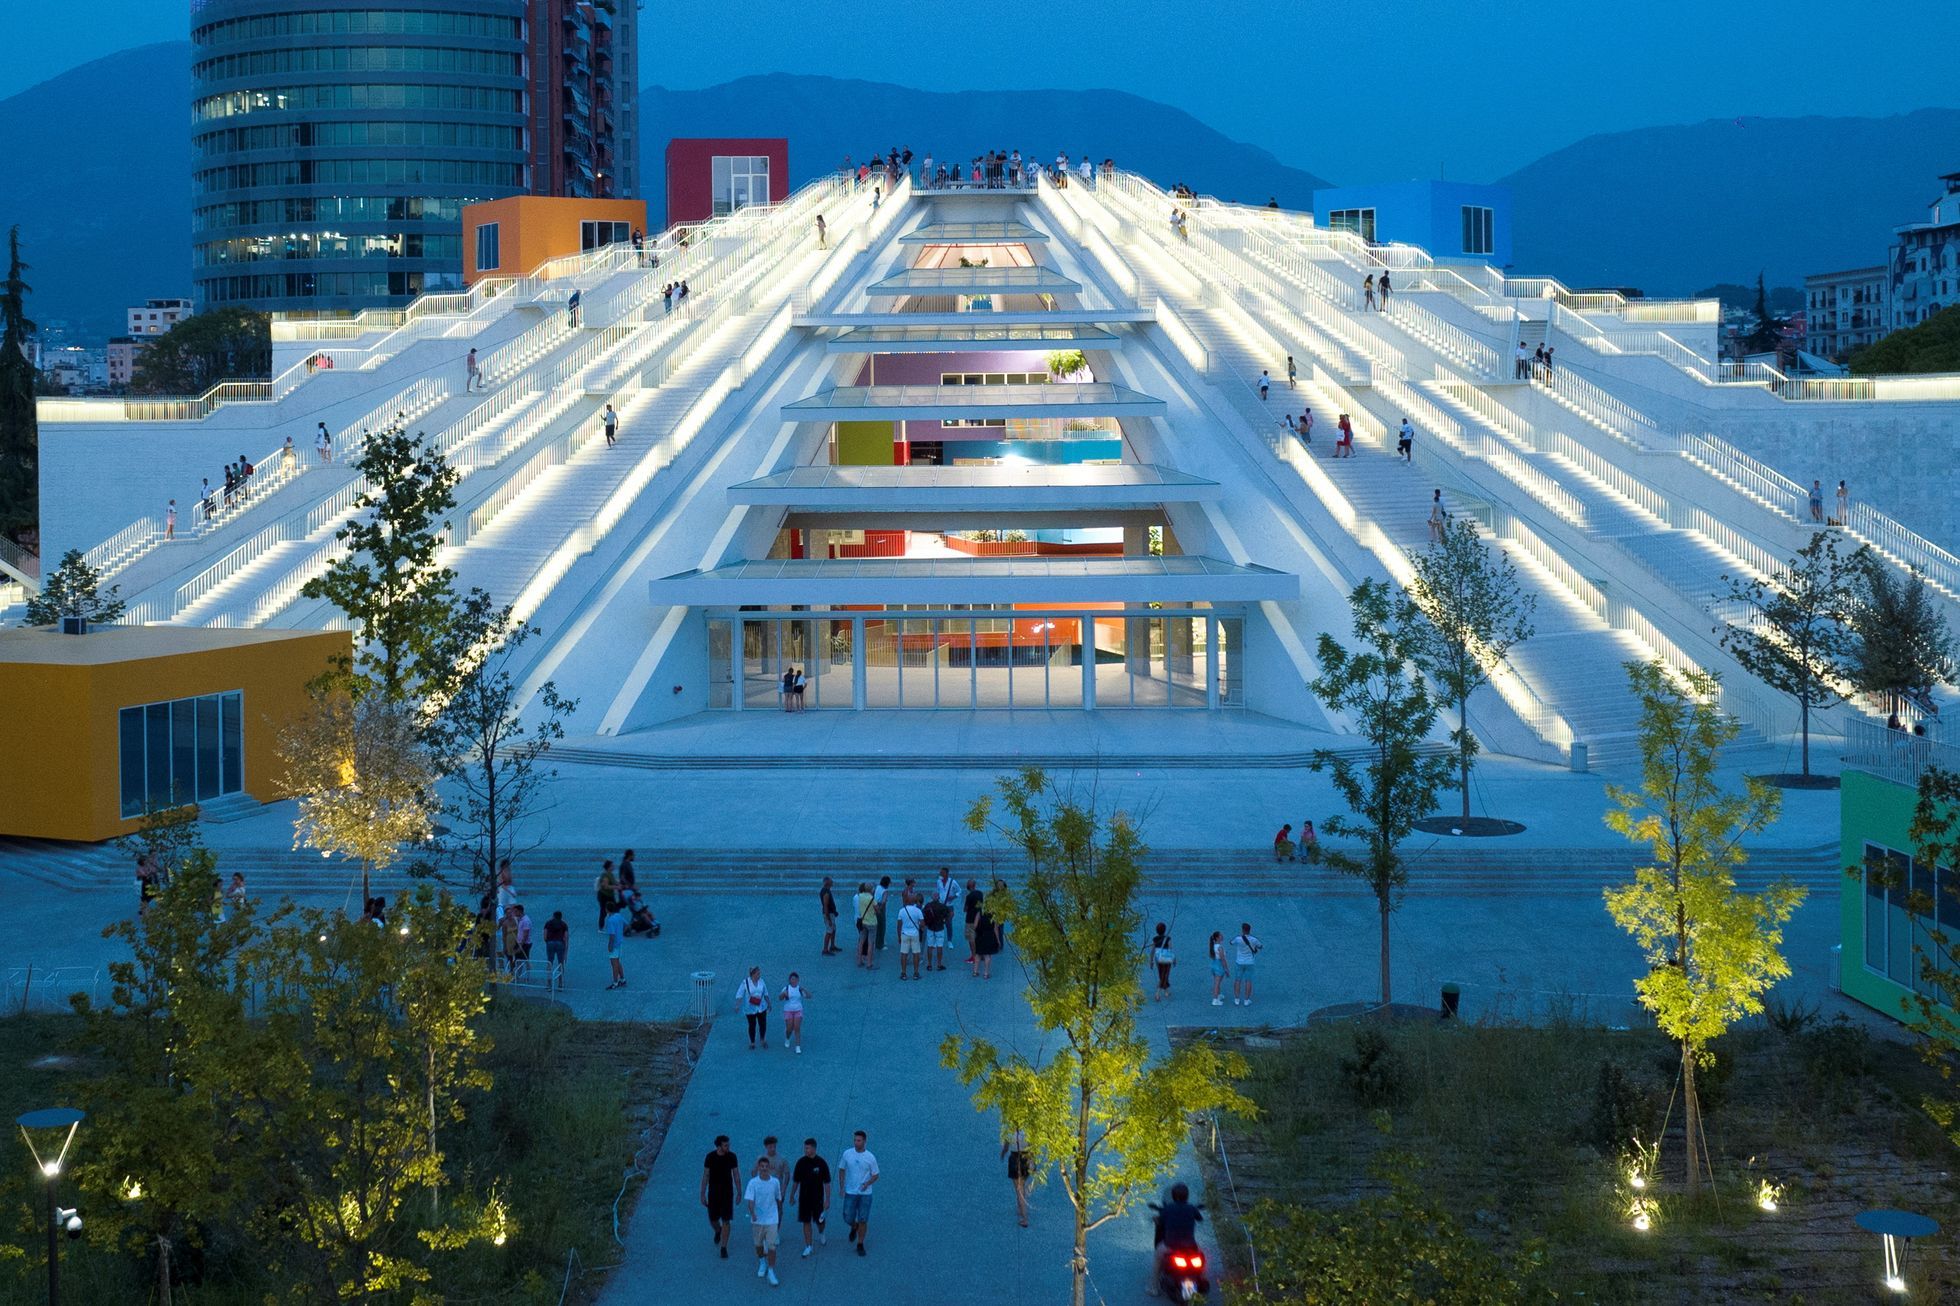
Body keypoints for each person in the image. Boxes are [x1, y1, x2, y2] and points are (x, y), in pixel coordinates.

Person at [837, 1131, 879, 1256]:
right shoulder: (847, 1154)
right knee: (847, 1217)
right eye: (855, 1140)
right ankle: (854, 1226)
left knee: (863, 1219)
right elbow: (841, 1169)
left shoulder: (870, 1157)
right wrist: (841, 1186)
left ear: (865, 1141)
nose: (856, 1142)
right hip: (850, 1192)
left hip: (865, 1194)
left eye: (859, 1140)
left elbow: (876, 1175)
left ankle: (860, 1243)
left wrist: (867, 1184)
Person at [745, 1156, 784, 1285]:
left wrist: (779, 1213)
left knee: (772, 1246)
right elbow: (750, 1201)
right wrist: (753, 1213)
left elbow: (778, 1198)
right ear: (758, 1168)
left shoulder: (775, 1182)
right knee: (758, 1245)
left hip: (772, 1219)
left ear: (769, 1168)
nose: (764, 1169)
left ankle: (771, 1270)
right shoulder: (753, 1183)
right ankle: (762, 1261)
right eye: (761, 1166)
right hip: (757, 1220)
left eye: (766, 1167)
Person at [702, 1136, 741, 1259]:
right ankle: (718, 1231)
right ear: (718, 1146)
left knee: (726, 1220)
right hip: (713, 1193)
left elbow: (736, 1175)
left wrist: (739, 1192)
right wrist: (702, 1194)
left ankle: (724, 1247)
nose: (728, 1147)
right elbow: (705, 1176)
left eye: (728, 1145)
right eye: (725, 1145)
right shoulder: (710, 1157)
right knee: (713, 1219)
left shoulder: (732, 1157)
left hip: (727, 1194)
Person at [792, 1138, 831, 1256]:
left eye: (807, 1148)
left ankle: (821, 1232)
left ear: (814, 1148)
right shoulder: (800, 1162)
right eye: (805, 1148)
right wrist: (792, 1195)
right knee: (806, 1221)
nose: (805, 1150)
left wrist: (827, 1199)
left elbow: (827, 1182)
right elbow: (796, 1181)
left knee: (820, 1222)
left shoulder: (821, 1163)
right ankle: (808, 1246)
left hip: (818, 1199)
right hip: (804, 1199)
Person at [1002, 1122, 1032, 1226]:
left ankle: (1024, 1217)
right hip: (1025, 1159)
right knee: (1022, 1185)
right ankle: (1021, 1208)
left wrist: (1002, 1154)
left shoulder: (1009, 1131)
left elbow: (1006, 1147)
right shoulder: (1027, 1132)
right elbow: (1031, 1148)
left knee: (1018, 1189)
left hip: (1014, 1159)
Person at [736, 966, 771, 1050]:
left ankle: (762, 1040)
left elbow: (765, 993)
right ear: (753, 974)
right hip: (750, 1008)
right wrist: (737, 1005)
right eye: (758, 973)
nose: (759, 975)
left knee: (763, 1024)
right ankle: (752, 1042)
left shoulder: (762, 981)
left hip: (761, 1006)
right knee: (752, 1025)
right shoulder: (745, 983)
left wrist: (769, 1003)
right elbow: (740, 994)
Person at [896, 890, 925, 979]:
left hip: (904, 934)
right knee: (916, 954)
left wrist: (899, 936)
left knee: (904, 954)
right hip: (915, 934)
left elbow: (899, 925)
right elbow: (922, 924)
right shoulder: (918, 911)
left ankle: (903, 973)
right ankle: (916, 973)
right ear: (913, 901)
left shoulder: (901, 911)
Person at [1231, 922, 1262, 1006]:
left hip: (1239, 962)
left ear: (1242, 930)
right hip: (1250, 962)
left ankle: (1237, 999)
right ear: (1249, 930)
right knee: (1248, 981)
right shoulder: (1254, 939)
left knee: (1238, 980)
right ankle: (1246, 1000)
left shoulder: (1238, 939)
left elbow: (1231, 942)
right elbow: (1260, 946)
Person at [973, 894, 1002, 980]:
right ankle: (986, 973)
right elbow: (995, 929)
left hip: (980, 935)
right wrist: (998, 940)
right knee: (987, 955)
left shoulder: (979, 913)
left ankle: (975, 971)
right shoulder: (994, 915)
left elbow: (974, 926)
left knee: (978, 954)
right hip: (989, 936)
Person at [779, 972, 809, 1052]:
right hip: (788, 1010)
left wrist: (804, 989)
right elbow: (780, 998)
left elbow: (809, 996)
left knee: (797, 1027)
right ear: (789, 980)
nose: (794, 981)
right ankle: (787, 1038)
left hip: (798, 1010)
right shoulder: (786, 988)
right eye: (792, 979)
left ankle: (798, 1046)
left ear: (798, 980)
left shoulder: (799, 989)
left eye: (795, 979)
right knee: (789, 1028)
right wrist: (783, 994)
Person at [603, 900, 628, 990]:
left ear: (607, 910)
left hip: (614, 945)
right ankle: (622, 979)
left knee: (614, 964)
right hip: (620, 942)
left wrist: (610, 945)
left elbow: (612, 935)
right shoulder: (619, 916)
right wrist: (621, 934)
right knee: (617, 962)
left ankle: (615, 982)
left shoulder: (610, 920)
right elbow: (626, 925)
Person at [852, 881, 877, 969]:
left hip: (861, 921)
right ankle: (869, 963)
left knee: (861, 941)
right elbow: (877, 910)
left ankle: (859, 960)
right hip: (871, 922)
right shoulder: (871, 898)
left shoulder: (859, 896)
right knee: (870, 943)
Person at [1148, 921, 1175, 1000]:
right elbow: (1170, 949)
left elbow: (1152, 951)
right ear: (1165, 930)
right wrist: (1174, 959)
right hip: (1166, 959)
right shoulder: (1168, 939)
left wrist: (1151, 961)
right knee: (1165, 975)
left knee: (1162, 974)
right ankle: (1157, 993)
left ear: (1157, 931)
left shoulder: (1155, 939)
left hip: (1158, 960)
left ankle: (1166, 991)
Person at [963, 879, 985, 969]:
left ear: (969, 886)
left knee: (971, 938)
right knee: (979, 937)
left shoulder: (969, 896)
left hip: (970, 919)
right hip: (979, 918)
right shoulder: (980, 893)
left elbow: (965, 908)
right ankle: (981, 954)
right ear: (974, 885)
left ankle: (974, 956)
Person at [543, 910, 569, 983]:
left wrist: (548, 942)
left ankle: (549, 983)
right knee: (560, 963)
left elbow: (545, 936)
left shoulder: (548, 923)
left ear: (553, 916)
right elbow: (566, 938)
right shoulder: (564, 924)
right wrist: (566, 951)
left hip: (550, 943)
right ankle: (560, 982)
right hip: (560, 943)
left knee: (549, 962)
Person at [1207, 930, 1231, 1006]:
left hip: (1214, 964)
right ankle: (1215, 1000)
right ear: (1217, 938)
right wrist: (1226, 969)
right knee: (1217, 983)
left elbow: (1211, 956)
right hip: (1219, 966)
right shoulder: (1220, 948)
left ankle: (1219, 995)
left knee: (1217, 981)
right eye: (1220, 935)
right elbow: (1223, 959)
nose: (1222, 936)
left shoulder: (1213, 946)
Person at [819, 876, 840, 955]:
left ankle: (832, 945)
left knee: (833, 929)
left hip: (831, 913)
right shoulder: (826, 892)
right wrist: (828, 919)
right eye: (831, 882)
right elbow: (825, 905)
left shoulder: (826, 891)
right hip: (829, 914)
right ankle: (825, 949)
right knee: (829, 931)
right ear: (827, 883)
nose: (833, 883)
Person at [596, 859, 619, 929]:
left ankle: (613, 924)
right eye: (612, 866)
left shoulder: (610, 874)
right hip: (604, 896)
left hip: (610, 895)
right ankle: (601, 927)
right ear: (609, 867)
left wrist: (620, 884)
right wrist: (616, 887)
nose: (614, 867)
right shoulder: (605, 875)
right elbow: (606, 886)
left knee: (615, 909)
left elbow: (614, 882)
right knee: (604, 911)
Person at [874, 875, 891, 952]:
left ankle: (877, 941)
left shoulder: (878, 887)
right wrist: (880, 910)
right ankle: (880, 944)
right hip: (880, 907)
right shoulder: (885, 891)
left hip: (875, 905)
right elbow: (884, 901)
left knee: (877, 926)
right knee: (882, 926)